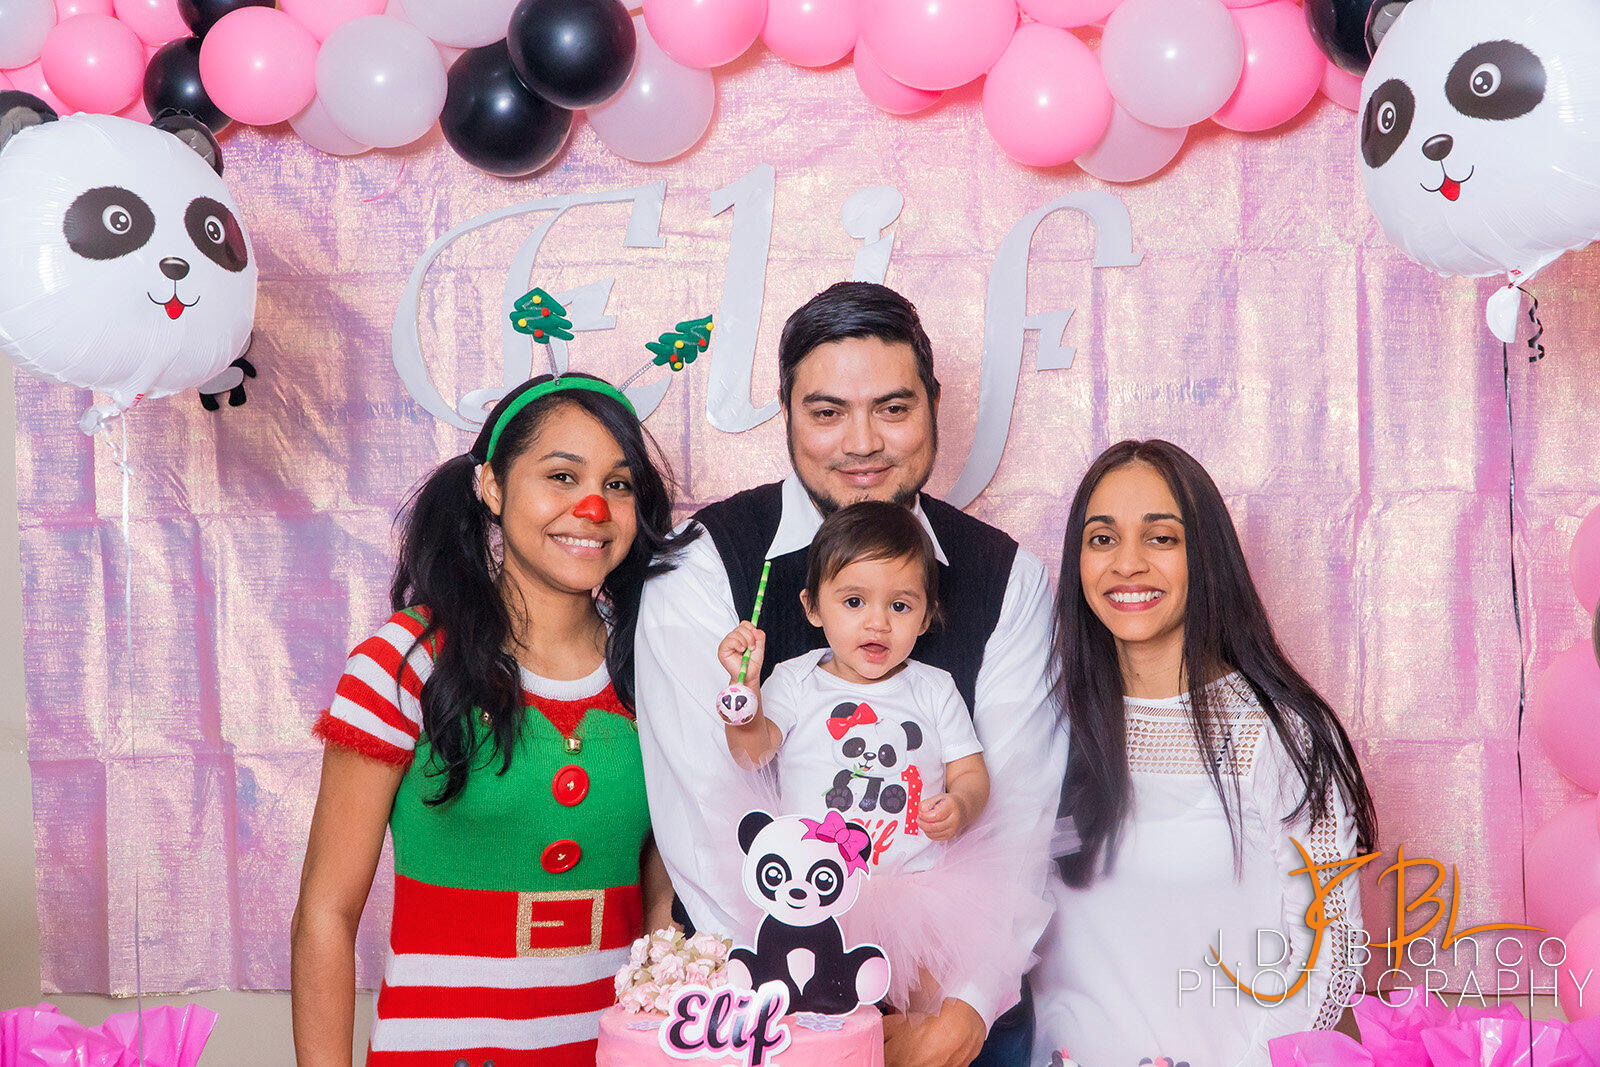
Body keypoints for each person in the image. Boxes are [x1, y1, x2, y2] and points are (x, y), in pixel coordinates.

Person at [635, 282, 1066, 1067]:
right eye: (828, 411)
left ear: (934, 406)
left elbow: (1021, 810)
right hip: (763, 1003)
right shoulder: (705, 562)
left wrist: (963, 1009)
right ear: (785, 412)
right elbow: (704, 815)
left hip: (956, 1006)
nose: (862, 442)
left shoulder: (1008, 576)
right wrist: (806, 1015)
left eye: (893, 408)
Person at [290, 373, 693, 1066]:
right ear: (492, 487)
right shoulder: (406, 661)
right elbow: (326, 914)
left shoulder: (654, 665)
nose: (593, 507)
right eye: (561, 476)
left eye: (619, 484)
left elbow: (665, 895)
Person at [1031, 439, 1379, 1067]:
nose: (1127, 563)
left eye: (1161, 538)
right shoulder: (1045, 724)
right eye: (1102, 539)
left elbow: (1332, 952)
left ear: (1206, 555)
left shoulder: (1281, 733)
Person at [718, 501, 1046, 1019]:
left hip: (916, 891)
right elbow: (750, 753)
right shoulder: (796, 681)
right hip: (815, 889)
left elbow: (969, 771)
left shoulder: (934, 690)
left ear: (926, 615)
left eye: (900, 606)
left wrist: (961, 805)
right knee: (816, 1011)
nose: (877, 622)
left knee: (916, 1016)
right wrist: (745, 696)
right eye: (853, 601)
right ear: (812, 607)